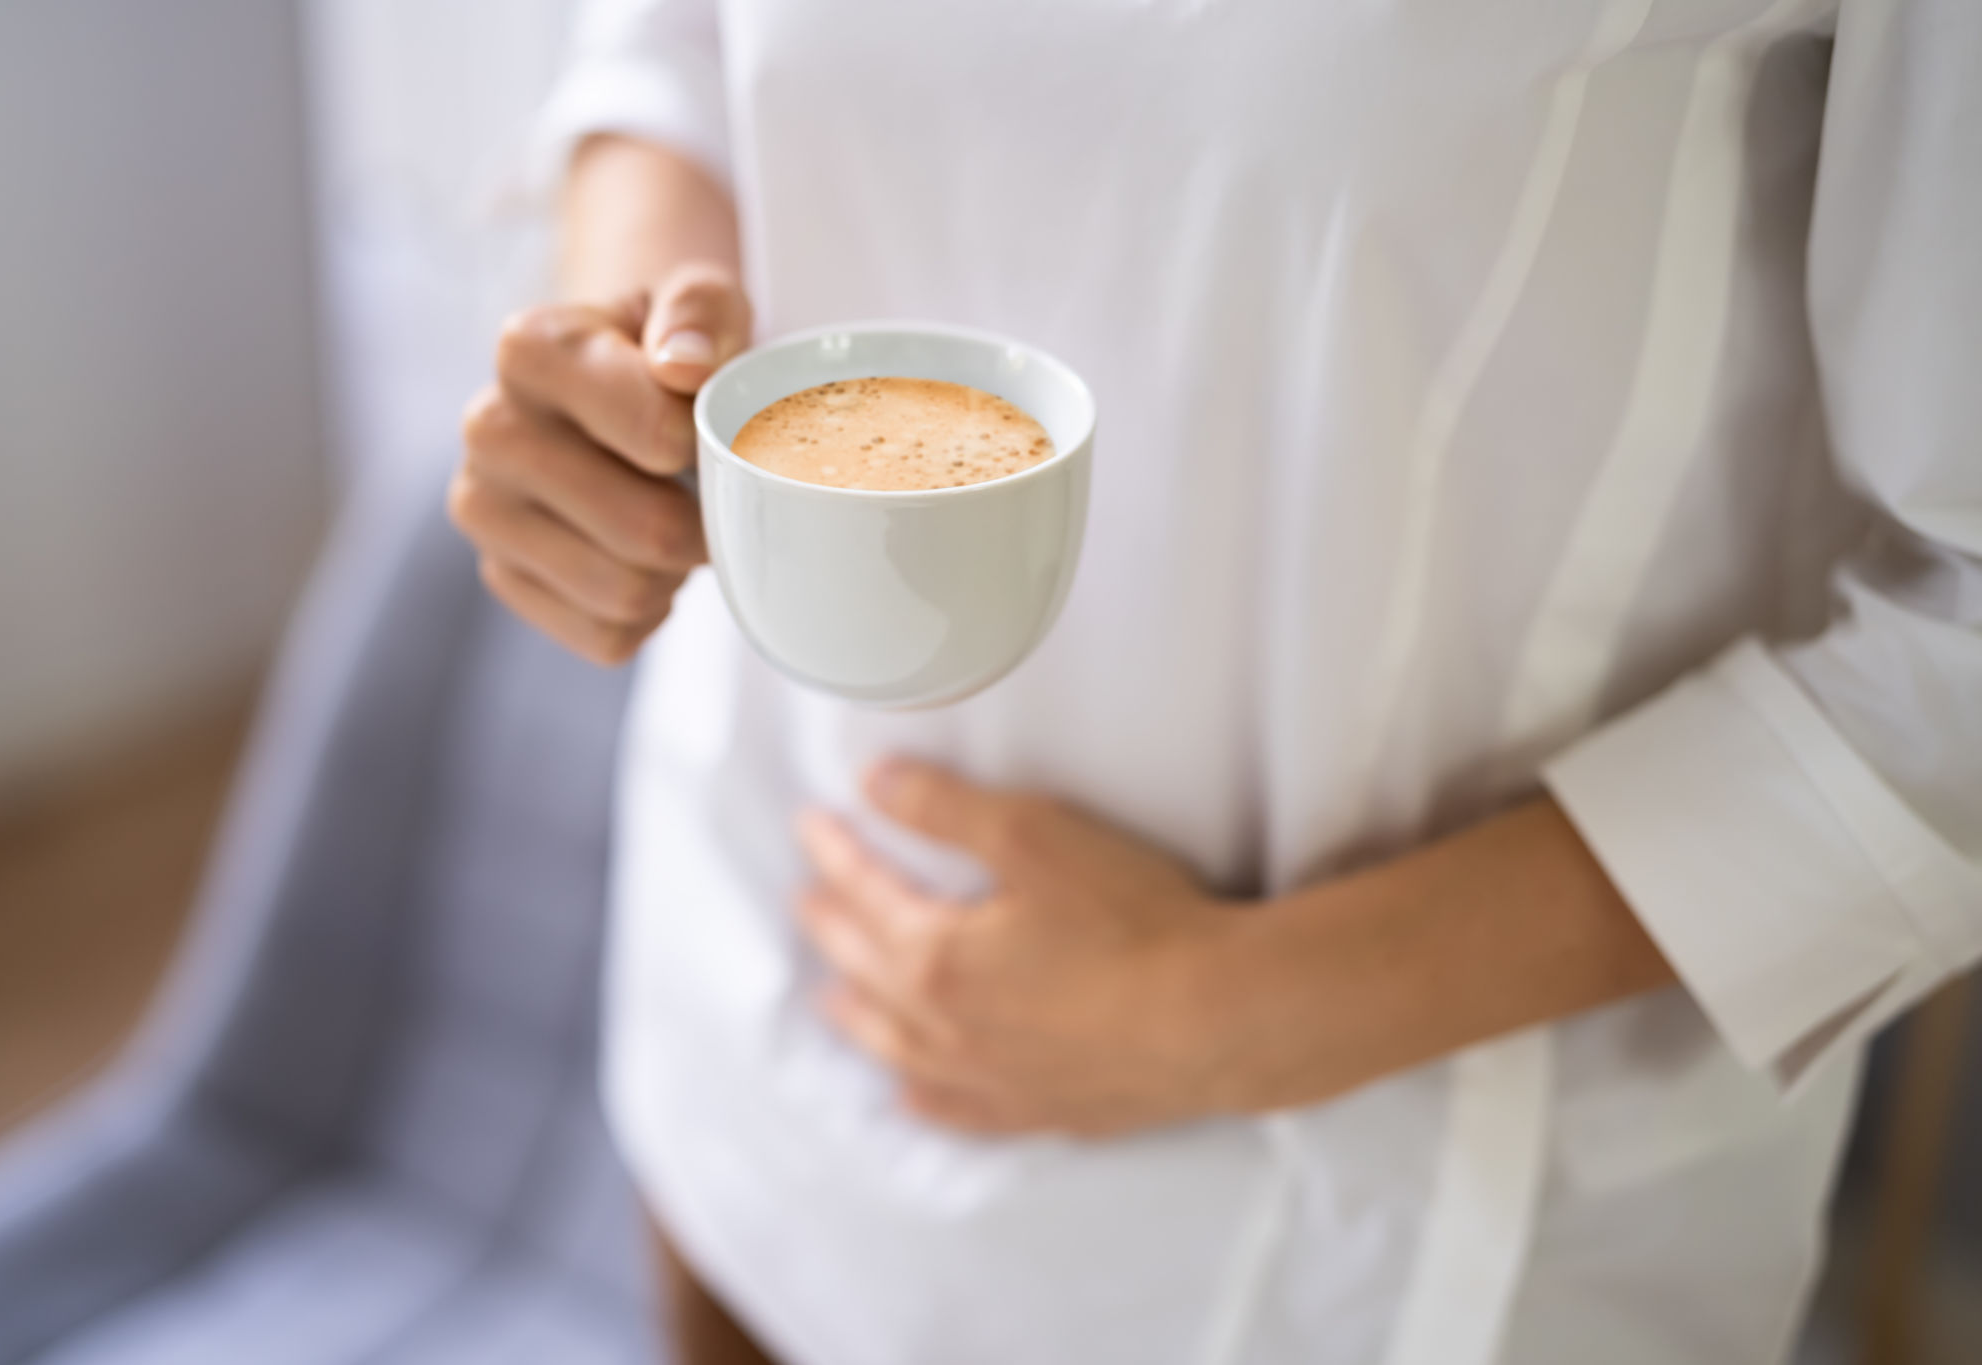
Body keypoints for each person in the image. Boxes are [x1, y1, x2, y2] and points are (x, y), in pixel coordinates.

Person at [447, 2, 1982, 1362]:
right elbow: (672, 47)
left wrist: (1234, 1010)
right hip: (774, 985)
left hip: (1364, 1202)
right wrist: (623, 369)